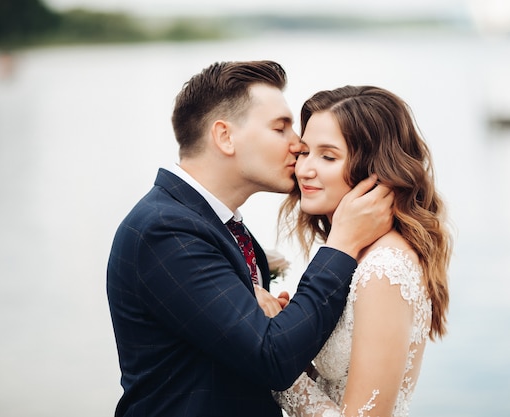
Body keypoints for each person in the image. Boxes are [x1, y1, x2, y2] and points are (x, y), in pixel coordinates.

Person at [106, 61, 394, 417]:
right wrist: (342, 245)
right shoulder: (164, 229)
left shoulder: (218, 225)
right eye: (281, 128)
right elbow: (271, 357)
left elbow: (241, 342)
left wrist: (283, 318)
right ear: (225, 137)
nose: (298, 144)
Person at [270, 86, 453, 417]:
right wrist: (281, 330)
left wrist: (275, 371)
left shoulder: (384, 268)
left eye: (328, 156)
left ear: (375, 170)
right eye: (305, 152)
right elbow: (332, 387)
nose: (304, 169)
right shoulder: (352, 254)